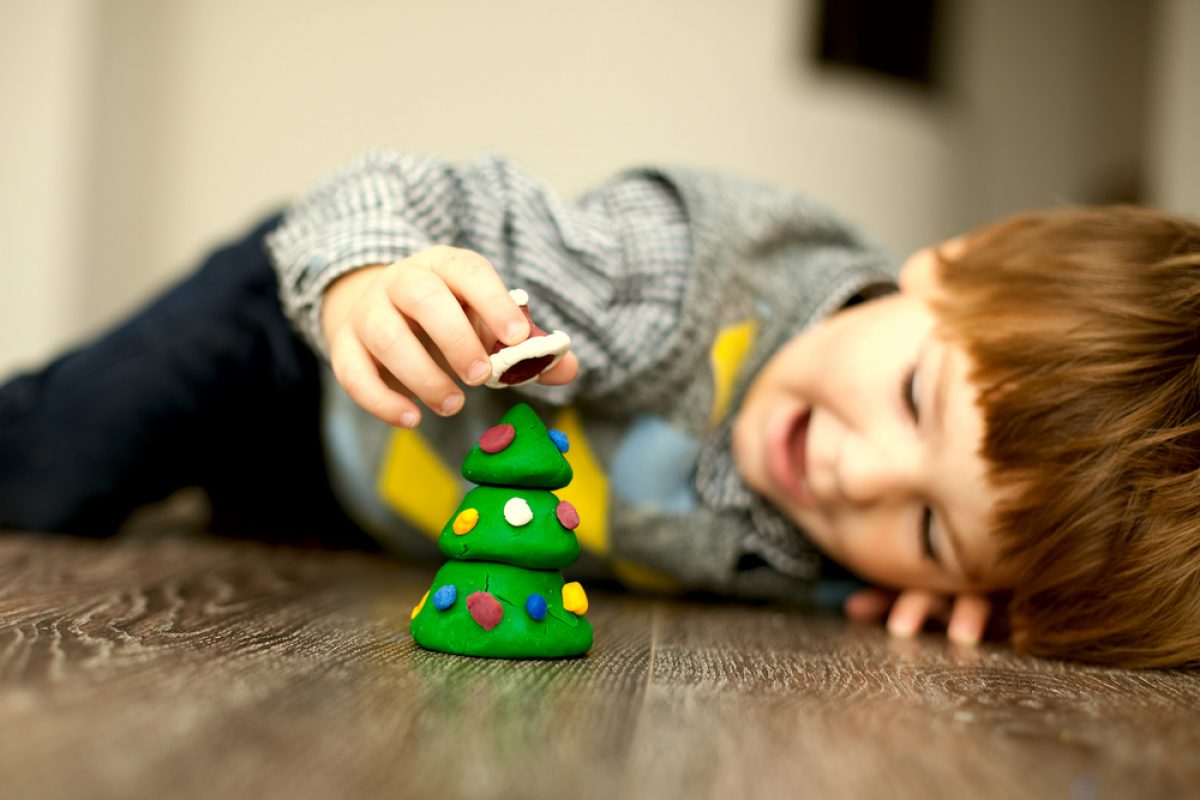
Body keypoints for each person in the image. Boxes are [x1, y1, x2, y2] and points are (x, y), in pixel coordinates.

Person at [2, 151, 1198, 668]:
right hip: (290, 346)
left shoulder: (868, 560)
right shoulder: (679, 279)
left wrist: (954, 603)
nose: (861, 473)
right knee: (54, 470)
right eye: (912, 398)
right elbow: (384, 189)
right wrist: (368, 279)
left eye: (931, 527)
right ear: (952, 259)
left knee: (220, 538)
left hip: (349, 498)